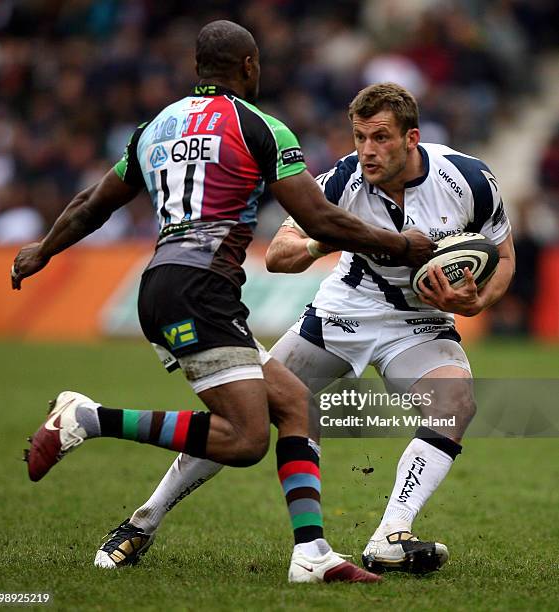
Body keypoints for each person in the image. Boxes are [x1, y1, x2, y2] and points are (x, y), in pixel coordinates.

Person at [12, 23, 436, 584]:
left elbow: (95, 202)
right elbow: (321, 219)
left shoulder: (156, 126)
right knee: (244, 439)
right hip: (201, 290)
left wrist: (45, 247)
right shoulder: (260, 127)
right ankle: (88, 418)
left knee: (294, 405)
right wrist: (402, 244)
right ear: (250, 65)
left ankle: (311, 554)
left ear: (198, 68)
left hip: (163, 280)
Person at [105, 82, 514, 575]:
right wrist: (324, 239)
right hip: (343, 313)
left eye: (381, 137)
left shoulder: (469, 180)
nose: (367, 150)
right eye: (360, 136)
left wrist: (476, 300)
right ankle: (143, 521)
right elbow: (277, 256)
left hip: (419, 322)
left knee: (456, 401)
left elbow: (504, 256)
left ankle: (390, 535)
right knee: (248, 411)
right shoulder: (342, 180)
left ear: (412, 138)